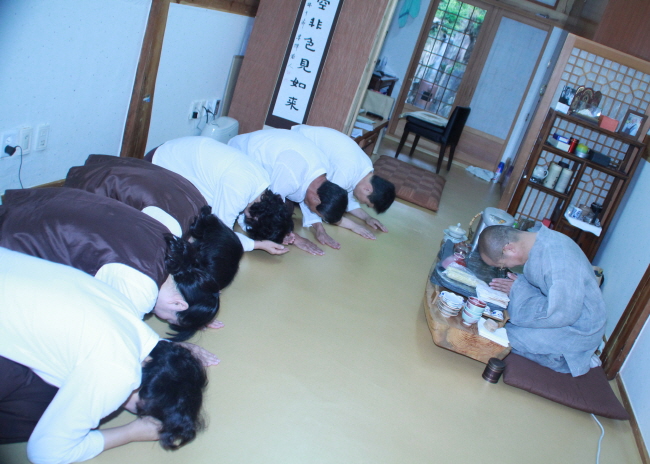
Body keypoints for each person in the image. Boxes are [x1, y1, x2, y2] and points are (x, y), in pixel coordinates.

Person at [0, 247, 207, 463]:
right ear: (146, 406)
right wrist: (131, 433)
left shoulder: (131, 317)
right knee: (34, 413)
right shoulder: (118, 374)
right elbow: (45, 453)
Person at [0, 187, 223, 344]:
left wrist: (198, 312)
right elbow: (118, 337)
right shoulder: (142, 290)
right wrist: (173, 348)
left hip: (51, 202)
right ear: (179, 303)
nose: (162, 318)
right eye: (169, 318)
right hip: (30, 232)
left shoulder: (172, 247)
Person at [65, 155, 243, 290]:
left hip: (102, 167)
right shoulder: (168, 230)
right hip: (82, 191)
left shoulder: (200, 208)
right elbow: (129, 260)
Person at [478, 225, 606, 377]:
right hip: (562, 311)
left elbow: (561, 314)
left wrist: (519, 290)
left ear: (509, 249)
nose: (505, 268)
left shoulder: (558, 261)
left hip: (577, 329)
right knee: (498, 321)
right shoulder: (539, 241)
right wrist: (518, 286)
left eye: (503, 265)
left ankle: (577, 357)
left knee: (503, 336)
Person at [148, 136, 293, 255]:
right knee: (191, 228)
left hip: (171, 151)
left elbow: (240, 212)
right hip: (156, 166)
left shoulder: (263, 183)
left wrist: (281, 231)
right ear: (256, 217)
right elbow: (219, 236)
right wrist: (257, 244)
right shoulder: (239, 187)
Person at [229, 128, 348, 255]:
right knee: (263, 219)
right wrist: (294, 237)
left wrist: (319, 229)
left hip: (268, 154)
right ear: (315, 199)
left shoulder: (322, 172)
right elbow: (268, 211)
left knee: (287, 213)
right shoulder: (291, 176)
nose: (313, 212)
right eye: (315, 212)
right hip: (239, 153)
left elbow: (308, 191)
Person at [291, 125, 395, 247]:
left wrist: (367, 218)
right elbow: (316, 199)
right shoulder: (346, 173)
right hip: (296, 142)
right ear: (368, 189)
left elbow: (346, 198)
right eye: (366, 203)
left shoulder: (366, 170)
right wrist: (353, 226)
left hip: (304, 138)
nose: (362, 203)